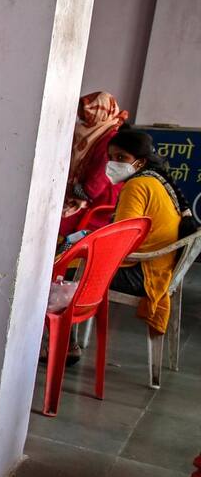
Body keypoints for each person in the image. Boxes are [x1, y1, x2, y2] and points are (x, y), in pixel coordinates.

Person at [106, 128, 188, 337]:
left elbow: (122, 240)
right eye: (111, 158)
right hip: (160, 269)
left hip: (142, 273)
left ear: (140, 162)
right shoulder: (156, 180)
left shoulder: (137, 185)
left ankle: (66, 345)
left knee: (66, 269)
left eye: (121, 157)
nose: (113, 163)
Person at [60, 91, 127, 237]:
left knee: (51, 222)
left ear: (101, 114)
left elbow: (90, 191)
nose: (82, 120)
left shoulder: (109, 142)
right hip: (86, 198)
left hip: (98, 205)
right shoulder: (93, 135)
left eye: (88, 115)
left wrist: (59, 190)